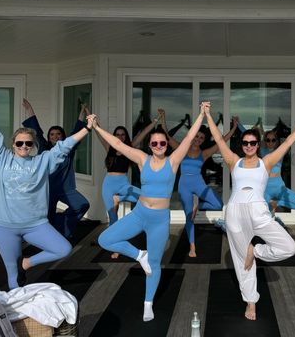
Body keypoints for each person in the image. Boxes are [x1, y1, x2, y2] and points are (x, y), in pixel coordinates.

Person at [92, 105, 207, 322]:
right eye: (154, 143)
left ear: (166, 145)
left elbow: (189, 137)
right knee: (105, 239)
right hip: (139, 214)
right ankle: (139, 255)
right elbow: (117, 143)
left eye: (162, 143)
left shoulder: (173, 162)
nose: (158, 146)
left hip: (160, 220)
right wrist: (97, 127)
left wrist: (202, 115)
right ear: (150, 145)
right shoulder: (142, 159)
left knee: (154, 264)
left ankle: (148, 303)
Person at [205, 104, 295, 321]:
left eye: (253, 143)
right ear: (241, 144)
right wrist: (206, 115)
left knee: (289, 247)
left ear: (258, 145)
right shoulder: (234, 161)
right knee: (241, 261)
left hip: (259, 211)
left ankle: (256, 251)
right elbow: (218, 139)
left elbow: (288, 142)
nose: (249, 145)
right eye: (245, 142)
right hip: (235, 212)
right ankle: (251, 301)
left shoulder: (266, 162)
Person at [0, 93, 93, 290]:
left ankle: (26, 263)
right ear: (13, 144)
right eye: (19, 143)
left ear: (34, 145)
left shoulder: (42, 161)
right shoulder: (2, 159)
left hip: (35, 225)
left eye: (28, 143)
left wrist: (86, 128)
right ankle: (16, 314)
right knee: (13, 277)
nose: (24, 146)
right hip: (3, 227)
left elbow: (64, 147)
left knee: (63, 248)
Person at [162, 109, 238, 257]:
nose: (198, 139)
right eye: (196, 136)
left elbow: (221, 141)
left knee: (218, 204)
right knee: (189, 217)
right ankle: (192, 247)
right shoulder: (181, 149)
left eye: (201, 137)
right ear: (192, 136)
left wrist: (234, 127)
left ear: (203, 140)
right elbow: (166, 136)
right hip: (184, 185)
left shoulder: (204, 153)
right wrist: (163, 118)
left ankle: (197, 204)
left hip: (199, 183)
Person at [21, 99, 90, 238]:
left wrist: (82, 111)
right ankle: (46, 239)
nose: (55, 136)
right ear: (49, 137)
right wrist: (29, 109)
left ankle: (62, 227)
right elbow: (36, 130)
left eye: (58, 134)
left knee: (82, 205)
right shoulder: (43, 147)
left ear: (63, 136)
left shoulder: (68, 148)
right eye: (52, 134)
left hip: (66, 188)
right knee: (47, 218)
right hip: (46, 189)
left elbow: (77, 130)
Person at [95, 117, 161, 258]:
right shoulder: (109, 147)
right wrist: (92, 121)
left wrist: (155, 121)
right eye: (117, 134)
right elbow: (99, 133)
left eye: (122, 134)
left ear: (126, 136)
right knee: (113, 217)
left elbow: (143, 134)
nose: (120, 136)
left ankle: (119, 198)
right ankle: (116, 248)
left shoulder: (129, 147)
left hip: (123, 183)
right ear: (114, 136)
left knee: (144, 197)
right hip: (109, 184)